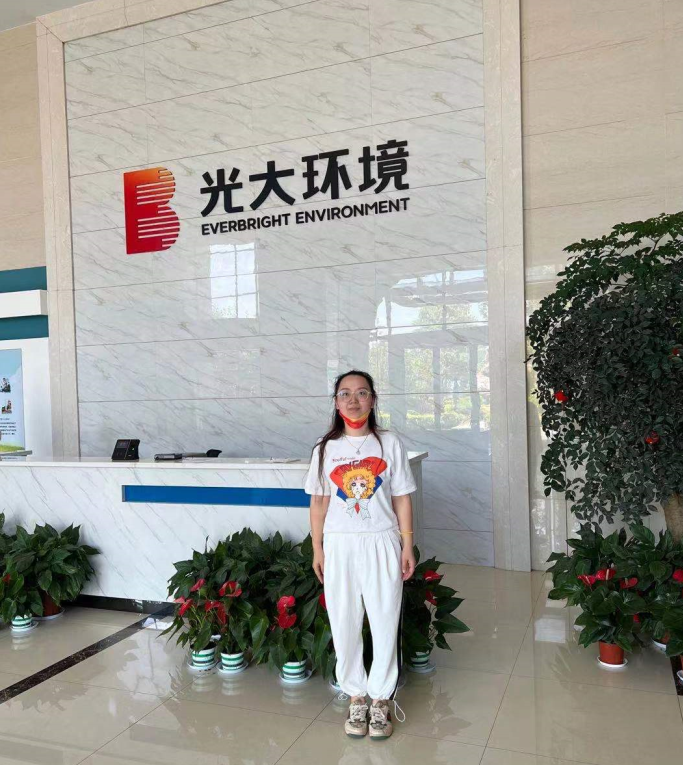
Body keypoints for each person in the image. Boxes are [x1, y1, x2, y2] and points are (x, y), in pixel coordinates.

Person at [304, 370, 416, 740]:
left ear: (373, 399)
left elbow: (401, 497)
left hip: (382, 540)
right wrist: (318, 548)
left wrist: (406, 544)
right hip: (340, 544)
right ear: (336, 402)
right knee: (343, 619)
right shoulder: (325, 448)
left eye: (362, 392)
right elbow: (318, 503)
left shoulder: (389, 443)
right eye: (345, 393)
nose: (353, 400)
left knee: (384, 618)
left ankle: (381, 699)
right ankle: (356, 695)